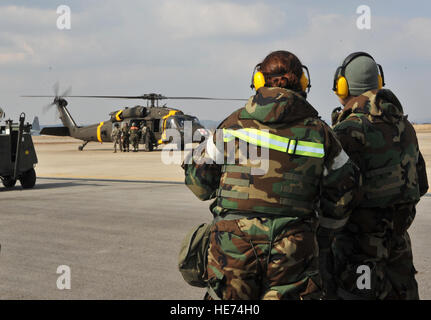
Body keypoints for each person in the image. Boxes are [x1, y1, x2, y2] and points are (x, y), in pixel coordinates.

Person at [182, 50, 361, 300]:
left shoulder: (231, 125)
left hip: (233, 246)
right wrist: (323, 232)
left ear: (258, 81)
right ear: (302, 83)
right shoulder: (320, 132)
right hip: (294, 247)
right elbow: (344, 192)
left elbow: (198, 185)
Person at [330, 52, 429, 300]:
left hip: (357, 254)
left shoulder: (347, 131)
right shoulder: (405, 127)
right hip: (398, 250)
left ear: (342, 85)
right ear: (379, 82)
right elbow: (421, 184)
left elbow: (332, 198)